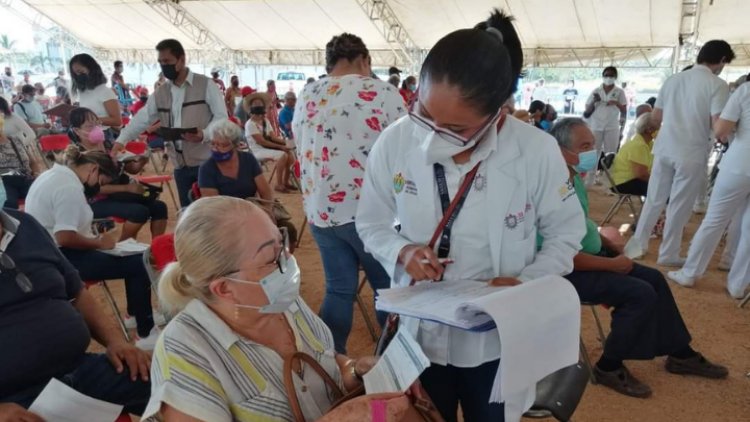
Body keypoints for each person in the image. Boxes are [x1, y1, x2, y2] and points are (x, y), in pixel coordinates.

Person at [355, 10, 585, 421]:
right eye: (424, 113)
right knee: (420, 415)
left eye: (456, 127)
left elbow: (566, 233)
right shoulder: (395, 141)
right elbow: (370, 222)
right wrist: (403, 250)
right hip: (418, 334)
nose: (433, 133)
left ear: (498, 113)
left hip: (497, 338)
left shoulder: (535, 151)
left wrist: (523, 285)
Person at [140, 196, 378, 421]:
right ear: (224, 288)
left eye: (281, 241)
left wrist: (354, 370)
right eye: (272, 258)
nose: (288, 259)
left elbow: (328, 362)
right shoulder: (185, 353)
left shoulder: (281, 302)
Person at [548, 118, 727, 398]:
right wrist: (611, 264)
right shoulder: (550, 188)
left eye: (592, 145)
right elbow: (560, 254)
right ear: (559, 150)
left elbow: (581, 223)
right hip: (566, 271)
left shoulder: (571, 178)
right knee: (638, 294)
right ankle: (608, 366)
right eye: (584, 146)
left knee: (653, 278)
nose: (591, 152)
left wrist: (607, 243)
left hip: (591, 257)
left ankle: (680, 353)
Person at [293, 32, 406, 355]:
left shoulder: (307, 94)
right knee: (388, 291)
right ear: (365, 60)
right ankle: (390, 366)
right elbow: (406, 152)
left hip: (320, 211)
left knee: (339, 290)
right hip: (371, 214)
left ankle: (333, 364)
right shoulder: (382, 92)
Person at [0, 207, 151, 418]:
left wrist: (116, 341)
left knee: (180, 385)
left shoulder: (25, 225)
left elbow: (77, 291)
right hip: (15, 399)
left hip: (80, 370)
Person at [24, 146, 159, 348]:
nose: (98, 187)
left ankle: (135, 313)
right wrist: (98, 243)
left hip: (49, 253)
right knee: (139, 262)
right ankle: (145, 332)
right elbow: (64, 237)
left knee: (135, 259)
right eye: (102, 182)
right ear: (93, 170)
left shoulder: (53, 175)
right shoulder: (68, 187)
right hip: (61, 258)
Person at [624, 40, 735, 265]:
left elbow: (656, 118)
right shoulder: (717, 85)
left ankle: (637, 246)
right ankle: (668, 254)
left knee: (654, 199)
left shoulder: (673, 79)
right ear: (722, 60)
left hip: (665, 147)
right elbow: (717, 125)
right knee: (679, 204)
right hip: (692, 150)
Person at [113, 39, 228, 208]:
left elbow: (221, 117)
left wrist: (204, 134)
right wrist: (121, 140)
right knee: (188, 214)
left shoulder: (205, 84)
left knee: (211, 213)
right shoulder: (161, 92)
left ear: (181, 60)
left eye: (167, 61)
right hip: (180, 165)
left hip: (206, 162)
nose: (163, 66)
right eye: (160, 62)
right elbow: (142, 118)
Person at [668, 79, 750, 299]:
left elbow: (721, 130)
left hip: (739, 164)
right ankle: (738, 285)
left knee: (714, 220)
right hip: (741, 165)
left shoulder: (745, 90)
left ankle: (690, 272)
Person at [69, 107, 168, 240]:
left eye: (98, 123)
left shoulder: (108, 146)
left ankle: (156, 248)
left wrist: (143, 159)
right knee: (139, 212)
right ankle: (124, 248)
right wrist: (127, 188)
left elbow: (132, 169)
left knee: (159, 207)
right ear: (77, 130)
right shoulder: (78, 155)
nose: (96, 128)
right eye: (89, 126)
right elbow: (93, 189)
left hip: (117, 196)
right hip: (92, 201)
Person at [582, 66, 627, 184]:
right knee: (593, 153)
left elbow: (624, 110)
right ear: (603, 76)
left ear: (615, 77)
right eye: (606, 75)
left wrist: (616, 103)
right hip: (596, 125)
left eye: (611, 75)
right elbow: (587, 111)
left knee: (611, 154)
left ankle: (609, 183)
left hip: (612, 126)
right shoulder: (596, 91)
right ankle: (589, 181)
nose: (608, 78)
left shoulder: (619, 92)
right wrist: (594, 101)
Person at [244, 91, 294, 193]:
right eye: (256, 104)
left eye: (260, 104)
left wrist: (286, 143)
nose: (258, 105)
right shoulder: (250, 124)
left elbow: (273, 137)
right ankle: (278, 184)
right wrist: (281, 147)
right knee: (282, 155)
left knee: (290, 154)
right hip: (257, 150)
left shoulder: (265, 121)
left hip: (267, 147)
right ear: (251, 107)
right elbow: (262, 142)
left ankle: (285, 182)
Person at [69, 54, 122, 140]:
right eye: (75, 73)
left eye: (80, 71)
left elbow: (117, 120)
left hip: (103, 136)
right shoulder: (82, 92)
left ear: (91, 69)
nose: (78, 75)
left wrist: (92, 120)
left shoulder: (105, 91)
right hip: (85, 135)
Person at [610, 112, 657, 196]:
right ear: (649, 129)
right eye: (659, 126)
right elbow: (641, 174)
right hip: (624, 183)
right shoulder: (639, 145)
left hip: (632, 180)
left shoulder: (648, 144)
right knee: (663, 189)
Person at [0, 129, 41, 208]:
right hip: (4, 182)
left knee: (42, 195)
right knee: (8, 203)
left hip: (25, 177)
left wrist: (37, 175)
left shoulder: (15, 140)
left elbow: (33, 162)